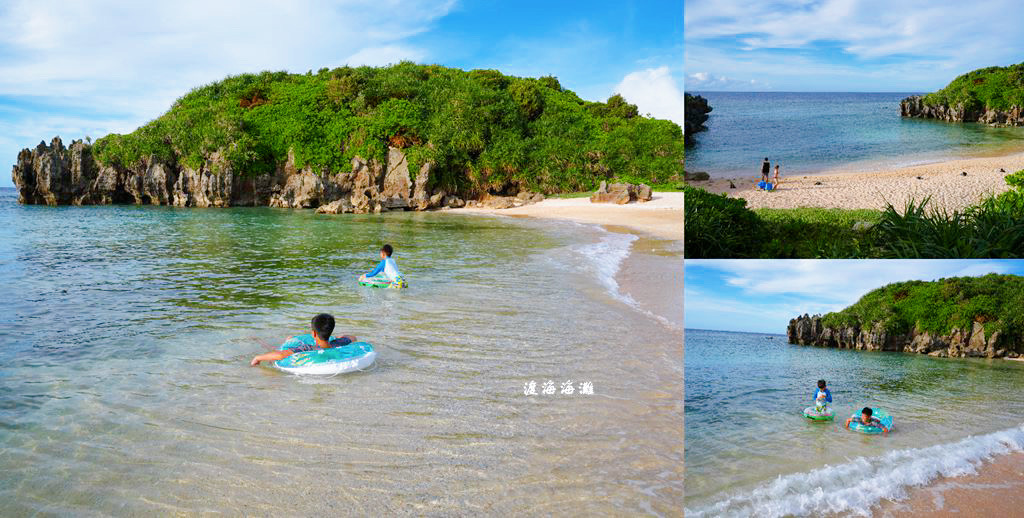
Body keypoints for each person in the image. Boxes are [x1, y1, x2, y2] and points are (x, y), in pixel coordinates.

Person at [250, 313, 357, 366]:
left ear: (314, 333)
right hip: (330, 344)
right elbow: (352, 337)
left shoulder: (308, 348)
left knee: (290, 338)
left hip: (311, 354)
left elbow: (281, 355)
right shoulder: (338, 344)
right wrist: (337, 338)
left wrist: (258, 358)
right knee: (290, 338)